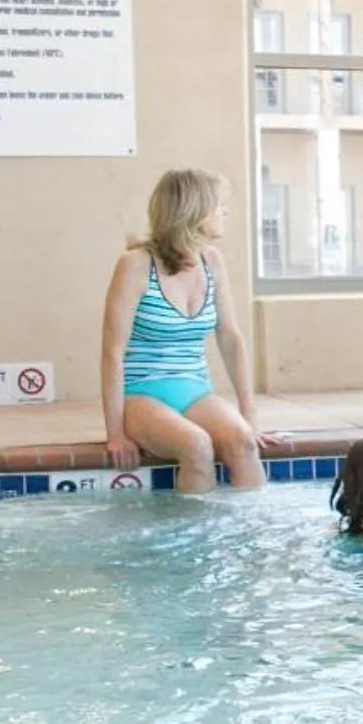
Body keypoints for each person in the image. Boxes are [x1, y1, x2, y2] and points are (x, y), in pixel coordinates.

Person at [100, 168, 270, 493]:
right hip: (141, 394)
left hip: (195, 392)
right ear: (196, 211)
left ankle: (251, 527)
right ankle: (193, 529)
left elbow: (230, 338)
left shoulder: (212, 261)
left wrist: (249, 415)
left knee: (244, 444)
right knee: (196, 446)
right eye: (219, 204)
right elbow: (112, 352)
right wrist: (115, 433)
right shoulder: (135, 264)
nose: (225, 211)